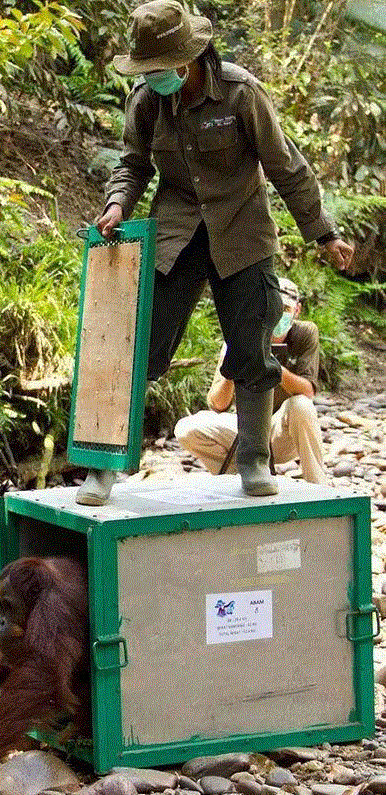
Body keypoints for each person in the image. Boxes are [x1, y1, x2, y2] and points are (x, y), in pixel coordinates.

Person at [76, 0, 354, 506]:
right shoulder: (146, 101)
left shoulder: (241, 93)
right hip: (176, 234)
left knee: (252, 347)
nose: (156, 79)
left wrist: (324, 233)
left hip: (242, 231)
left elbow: (286, 165)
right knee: (139, 349)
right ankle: (103, 468)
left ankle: (253, 460)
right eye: (148, 71)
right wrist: (117, 205)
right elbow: (133, 164)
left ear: (190, 58)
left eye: (163, 70)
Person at [175, 277, 326, 484]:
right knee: (187, 429)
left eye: (286, 309)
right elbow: (217, 405)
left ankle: (318, 489)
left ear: (297, 310)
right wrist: (234, 365)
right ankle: (240, 478)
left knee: (302, 405)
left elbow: (308, 391)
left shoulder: (305, 334)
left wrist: (272, 365)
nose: (278, 315)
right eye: (274, 308)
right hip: (246, 429)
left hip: (283, 430)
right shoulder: (241, 336)